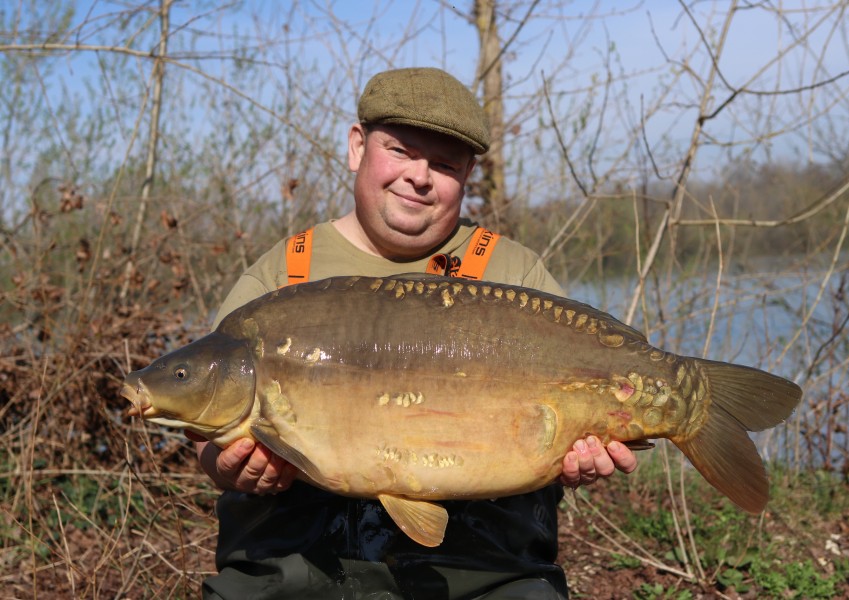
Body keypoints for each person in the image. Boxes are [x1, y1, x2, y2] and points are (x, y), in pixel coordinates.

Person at [191, 67, 637, 600]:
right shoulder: (282, 276)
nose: (419, 177)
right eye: (400, 151)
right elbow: (205, 441)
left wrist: (577, 457)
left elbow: (581, 406)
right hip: (300, 568)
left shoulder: (512, 274)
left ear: (468, 174)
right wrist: (228, 468)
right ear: (358, 147)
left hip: (483, 571)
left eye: (444, 164)